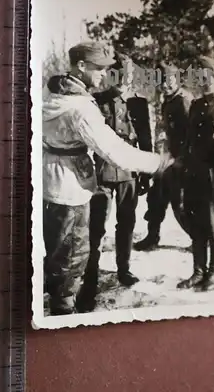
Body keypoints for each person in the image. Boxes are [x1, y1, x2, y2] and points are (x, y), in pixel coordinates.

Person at [42, 42, 174, 315]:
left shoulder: (52, 91)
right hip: (77, 187)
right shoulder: (83, 106)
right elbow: (114, 150)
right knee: (73, 257)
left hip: (56, 182)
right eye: (99, 69)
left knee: (64, 256)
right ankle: (68, 311)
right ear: (81, 67)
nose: (105, 74)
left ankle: (73, 298)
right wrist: (157, 163)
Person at [77, 55, 153, 311]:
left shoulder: (139, 104)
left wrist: (145, 173)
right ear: (110, 76)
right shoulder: (96, 102)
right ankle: (90, 282)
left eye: (128, 76)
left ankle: (124, 270)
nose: (123, 81)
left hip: (129, 172)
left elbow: (145, 139)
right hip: (103, 174)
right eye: (118, 75)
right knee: (96, 229)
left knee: (127, 224)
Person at [177, 57, 214, 292]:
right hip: (194, 171)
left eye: (208, 76)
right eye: (200, 77)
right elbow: (189, 140)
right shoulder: (197, 106)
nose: (203, 81)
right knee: (196, 223)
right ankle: (198, 271)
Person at [134, 63, 193, 251]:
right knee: (156, 199)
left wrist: (181, 160)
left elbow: (190, 134)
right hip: (165, 159)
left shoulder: (183, 101)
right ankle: (152, 237)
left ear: (177, 80)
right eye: (162, 82)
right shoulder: (167, 100)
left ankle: (200, 240)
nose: (165, 85)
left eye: (169, 81)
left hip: (179, 161)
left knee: (180, 204)